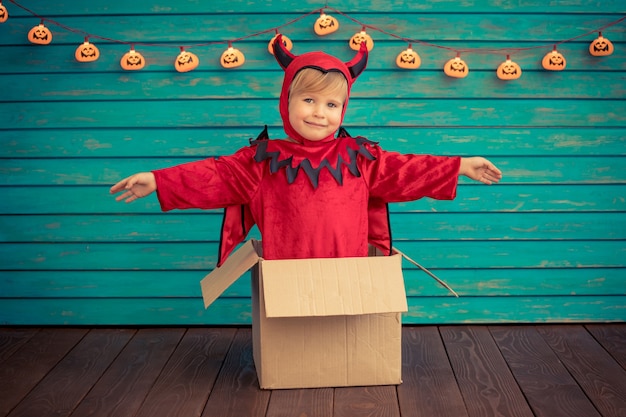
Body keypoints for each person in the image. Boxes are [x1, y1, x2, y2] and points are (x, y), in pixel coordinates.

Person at [110, 36, 502, 266]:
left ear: (343, 110)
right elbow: (214, 175)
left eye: (332, 106)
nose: (320, 113)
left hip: (347, 274)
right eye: (309, 101)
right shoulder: (261, 160)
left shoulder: (360, 157)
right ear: (287, 102)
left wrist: (460, 166)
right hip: (287, 276)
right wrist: (159, 181)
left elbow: (407, 170)